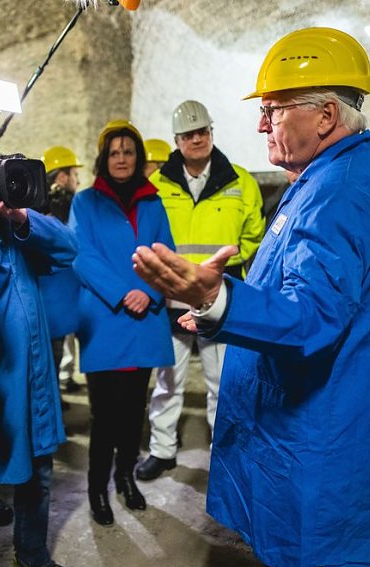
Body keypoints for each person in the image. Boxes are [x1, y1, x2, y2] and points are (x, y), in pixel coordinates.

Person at [132, 27, 370, 567]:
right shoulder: (325, 178)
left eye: (274, 109)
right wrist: (222, 309)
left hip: (321, 436)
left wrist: (221, 300)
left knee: (320, 552)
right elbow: (295, 284)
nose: (261, 123)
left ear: (326, 116)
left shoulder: (342, 191)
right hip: (313, 425)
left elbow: (312, 317)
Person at [136, 100, 265, 482]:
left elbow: (254, 237)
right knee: (167, 382)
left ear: (212, 133)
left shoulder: (241, 182)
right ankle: (161, 450)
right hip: (171, 301)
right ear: (176, 140)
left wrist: (223, 274)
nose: (197, 139)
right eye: (188, 135)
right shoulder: (156, 187)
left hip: (219, 300)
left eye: (202, 132)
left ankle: (224, 455)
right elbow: (146, 235)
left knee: (223, 383)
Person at [0, 173, 76, 567]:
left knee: (38, 472)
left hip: (32, 373)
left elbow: (68, 248)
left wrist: (18, 213)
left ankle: (32, 556)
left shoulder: (13, 228)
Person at [69, 119, 175, 526]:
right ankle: (97, 488)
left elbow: (165, 252)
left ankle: (125, 478)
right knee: (104, 415)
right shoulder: (85, 202)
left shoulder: (154, 202)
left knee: (134, 412)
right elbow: (82, 255)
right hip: (106, 319)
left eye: (128, 151)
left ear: (138, 157)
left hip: (144, 317)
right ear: (103, 158)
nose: (121, 158)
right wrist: (122, 292)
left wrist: (148, 292)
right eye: (114, 152)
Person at [39, 145, 83, 396]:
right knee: (54, 351)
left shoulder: (37, 203)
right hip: (58, 293)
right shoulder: (67, 204)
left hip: (49, 296)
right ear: (63, 176)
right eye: (74, 174)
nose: (77, 180)